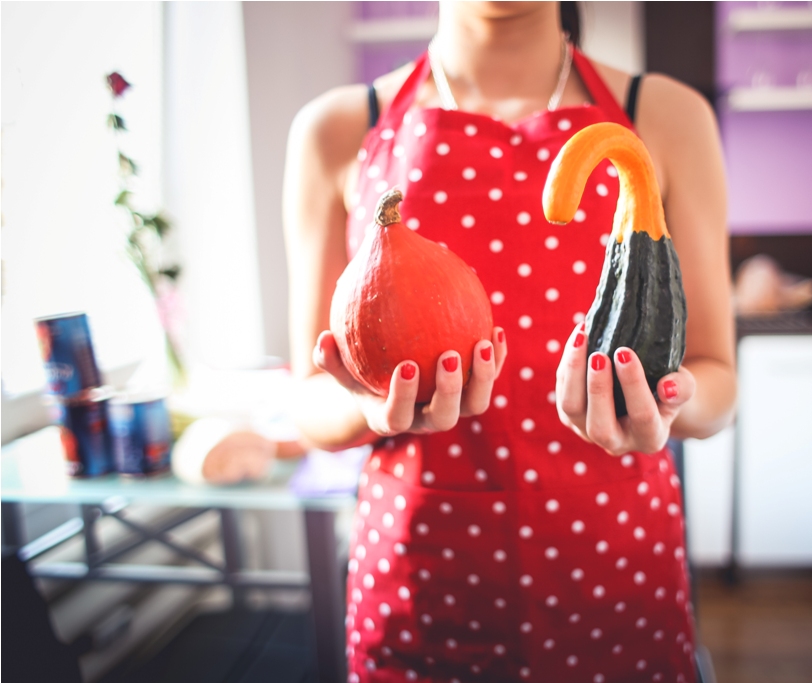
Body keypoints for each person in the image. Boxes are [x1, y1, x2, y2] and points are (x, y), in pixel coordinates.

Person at [283, 2, 735, 681]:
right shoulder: (338, 128)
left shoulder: (666, 114)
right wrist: (372, 409)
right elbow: (309, 402)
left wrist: (671, 408)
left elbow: (717, 379)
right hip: (423, 584)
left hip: (618, 576)